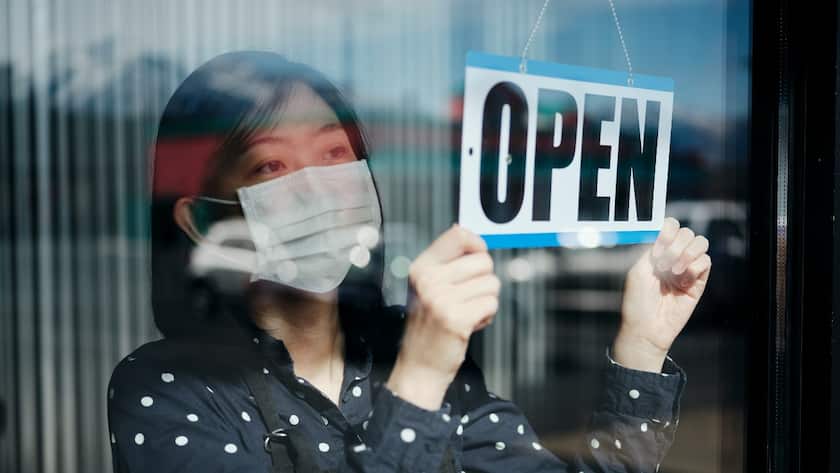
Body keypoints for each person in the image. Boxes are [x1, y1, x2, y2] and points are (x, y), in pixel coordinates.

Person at [107, 51, 712, 473]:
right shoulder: (166, 388)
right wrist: (418, 379)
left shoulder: (405, 347)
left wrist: (640, 346)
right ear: (199, 218)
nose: (320, 187)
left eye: (334, 153)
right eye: (272, 166)